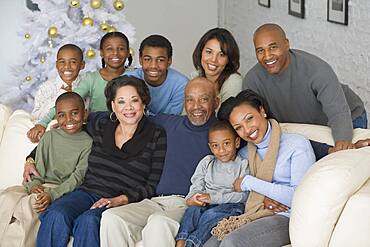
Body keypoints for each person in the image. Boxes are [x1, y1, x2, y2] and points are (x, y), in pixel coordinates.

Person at [35, 75, 167, 247]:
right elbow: (66, 129)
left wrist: (120, 199)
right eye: (121, 102)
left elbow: (151, 185)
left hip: (120, 200)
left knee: (88, 221)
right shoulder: (101, 124)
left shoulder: (156, 134)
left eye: (134, 100)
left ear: (143, 103)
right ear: (113, 105)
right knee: (56, 214)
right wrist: (31, 158)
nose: (128, 107)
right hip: (87, 192)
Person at [99, 77, 219, 247]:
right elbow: (129, 114)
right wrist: (78, 119)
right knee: (112, 218)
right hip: (153, 200)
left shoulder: (223, 134)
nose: (196, 106)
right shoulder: (167, 122)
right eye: (190, 99)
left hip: (186, 203)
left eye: (204, 99)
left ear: (216, 102)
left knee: (158, 223)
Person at [204, 89, 316, 247]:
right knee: (210, 243)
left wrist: (249, 182)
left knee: (232, 242)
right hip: (256, 212)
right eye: (238, 127)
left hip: (288, 217)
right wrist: (263, 197)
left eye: (249, 119)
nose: (247, 130)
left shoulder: (296, 144)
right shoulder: (243, 154)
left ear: (262, 111)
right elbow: (236, 189)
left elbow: (298, 197)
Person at [242, 23, 367, 152]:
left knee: (342, 161)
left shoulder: (316, 69)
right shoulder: (252, 81)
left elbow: (338, 112)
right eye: (260, 50)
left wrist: (342, 143)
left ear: (286, 44)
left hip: (347, 118)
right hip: (302, 128)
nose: (267, 56)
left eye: (273, 47)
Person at [0, 92, 92, 246]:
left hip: (58, 189)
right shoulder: (49, 137)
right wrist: (33, 185)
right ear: (56, 116)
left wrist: (51, 194)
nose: (68, 119)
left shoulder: (88, 143)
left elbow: (77, 178)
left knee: (31, 205)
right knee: (6, 198)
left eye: (74, 113)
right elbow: (38, 169)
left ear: (85, 114)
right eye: (62, 115)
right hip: (38, 185)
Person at [27, 31, 133, 143]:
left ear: (127, 52)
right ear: (101, 53)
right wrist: (42, 124)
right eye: (109, 49)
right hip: (99, 130)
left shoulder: (135, 76)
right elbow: (67, 102)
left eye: (121, 49)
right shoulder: (91, 79)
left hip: (129, 127)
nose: (115, 53)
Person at [175, 120, 249, 247]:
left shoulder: (242, 164)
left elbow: (243, 196)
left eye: (226, 143)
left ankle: (193, 242)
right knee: (192, 211)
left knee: (211, 215)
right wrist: (192, 198)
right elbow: (196, 184)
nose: (221, 150)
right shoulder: (207, 162)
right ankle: (180, 241)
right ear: (210, 147)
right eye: (215, 146)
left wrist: (213, 198)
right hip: (206, 202)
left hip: (230, 206)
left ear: (236, 143)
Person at [125, 34, 189, 115]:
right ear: (140, 60)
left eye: (160, 60)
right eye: (147, 59)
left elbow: (170, 119)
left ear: (169, 61)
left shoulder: (181, 84)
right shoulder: (127, 80)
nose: (153, 66)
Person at [32, 44, 85, 120]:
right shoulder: (46, 87)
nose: (67, 66)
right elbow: (36, 116)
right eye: (62, 62)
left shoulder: (87, 85)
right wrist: (61, 95)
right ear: (56, 65)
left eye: (73, 62)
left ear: (82, 65)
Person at [193, 28, 242, 106]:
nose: (213, 60)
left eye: (221, 55)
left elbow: (227, 116)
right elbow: (186, 114)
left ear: (229, 59)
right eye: (209, 52)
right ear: (200, 52)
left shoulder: (233, 81)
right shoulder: (196, 76)